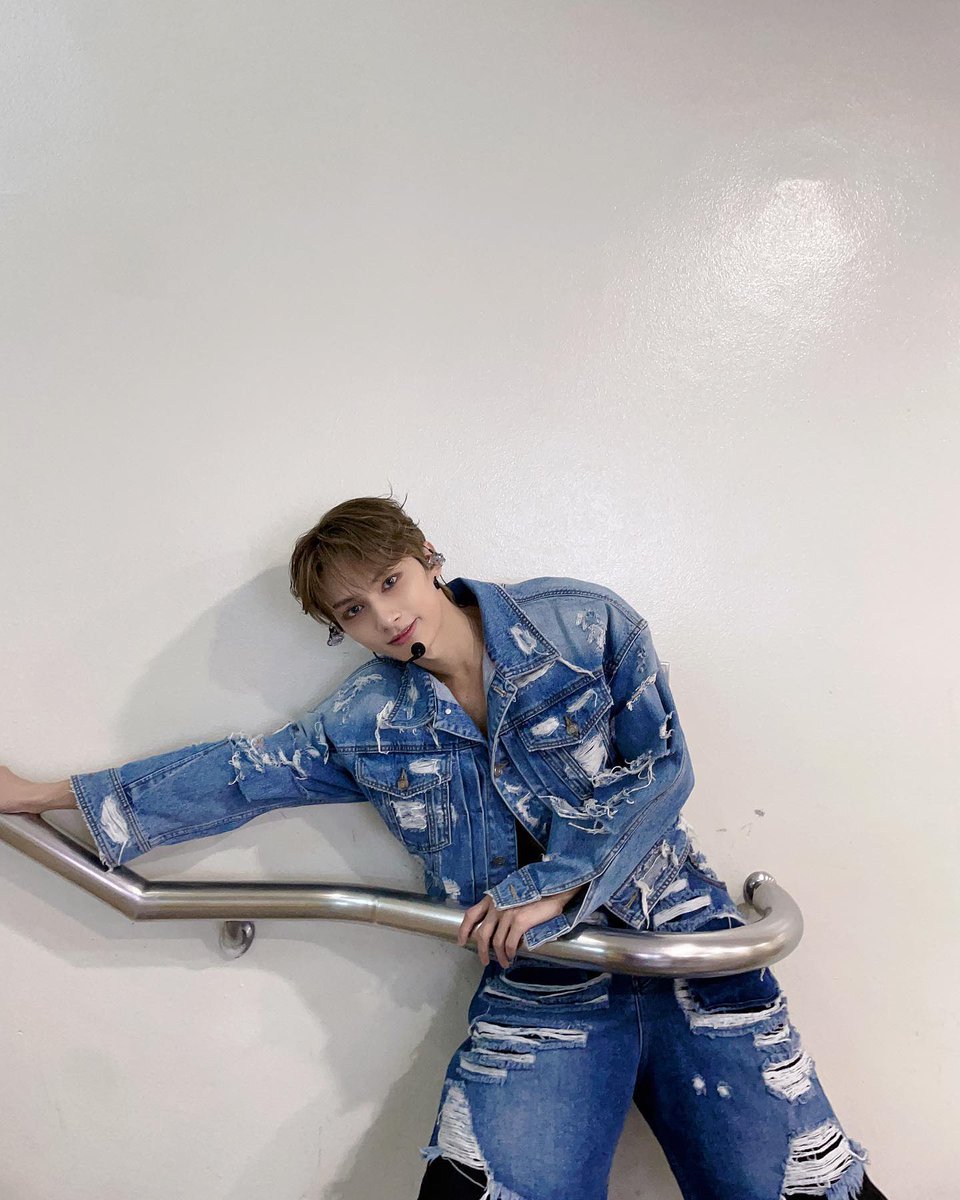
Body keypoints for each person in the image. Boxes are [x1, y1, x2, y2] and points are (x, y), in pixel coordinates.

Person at [1, 494, 888, 1200]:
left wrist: (555, 882)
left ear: (428, 558)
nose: (385, 616)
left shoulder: (581, 624)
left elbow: (662, 769)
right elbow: (238, 775)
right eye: (354, 610)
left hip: (691, 947)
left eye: (391, 581)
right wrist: (37, 795)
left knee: (800, 1183)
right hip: (542, 983)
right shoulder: (368, 719)